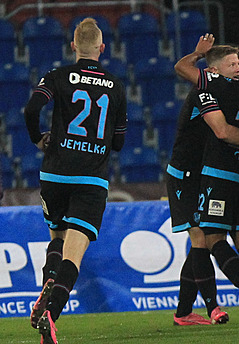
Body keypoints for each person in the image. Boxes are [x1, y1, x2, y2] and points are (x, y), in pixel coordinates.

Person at [25, 18, 127, 343]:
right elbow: (120, 142)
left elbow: (31, 109)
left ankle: (48, 282)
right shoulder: (116, 85)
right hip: (90, 178)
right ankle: (51, 315)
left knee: (56, 237)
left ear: (73, 46)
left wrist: (38, 139)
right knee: (74, 253)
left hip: (54, 173)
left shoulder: (57, 75)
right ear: (102, 48)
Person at [175, 42, 239, 323]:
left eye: (238, 64)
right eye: (232, 64)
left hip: (216, 172)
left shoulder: (220, 88)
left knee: (210, 238)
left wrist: (197, 53)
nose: (237, 68)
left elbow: (222, 131)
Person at [166, 34, 229, 326]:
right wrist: (198, 54)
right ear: (214, 71)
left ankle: (183, 312)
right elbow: (181, 66)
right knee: (200, 238)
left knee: (199, 245)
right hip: (182, 176)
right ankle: (214, 308)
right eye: (233, 64)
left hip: (200, 176)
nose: (238, 69)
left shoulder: (225, 93)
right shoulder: (205, 90)